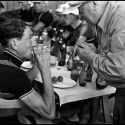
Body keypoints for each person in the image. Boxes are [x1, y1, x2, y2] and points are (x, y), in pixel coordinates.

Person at [70, 1, 125, 124]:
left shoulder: (121, 16)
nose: (80, 16)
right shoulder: (105, 17)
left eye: (80, 10)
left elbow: (120, 69)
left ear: (94, 4)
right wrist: (96, 52)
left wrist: (91, 57)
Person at [0, 17, 55, 124]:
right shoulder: (14, 74)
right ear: (14, 44)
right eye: (30, 38)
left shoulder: (4, 59)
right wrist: (46, 69)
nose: (34, 43)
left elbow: (19, 83)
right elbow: (50, 113)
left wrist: (37, 65)